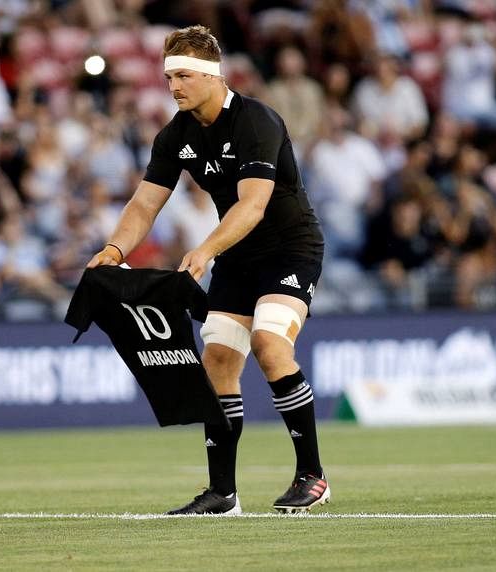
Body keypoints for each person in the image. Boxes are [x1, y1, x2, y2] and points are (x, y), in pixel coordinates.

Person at [86, 25, 329, 515]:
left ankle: (313, 476)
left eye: (183, 76)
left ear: (212, 77)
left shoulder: (257, 121)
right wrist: (114, 249)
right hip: (238, 256)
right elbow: (143, 206)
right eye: (168, 76)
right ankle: (223, 493)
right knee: (216, 362)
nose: (173, 86)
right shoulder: (175, 134)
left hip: (290, 250)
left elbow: (253, 205)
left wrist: (205, 250)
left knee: (269, 343)